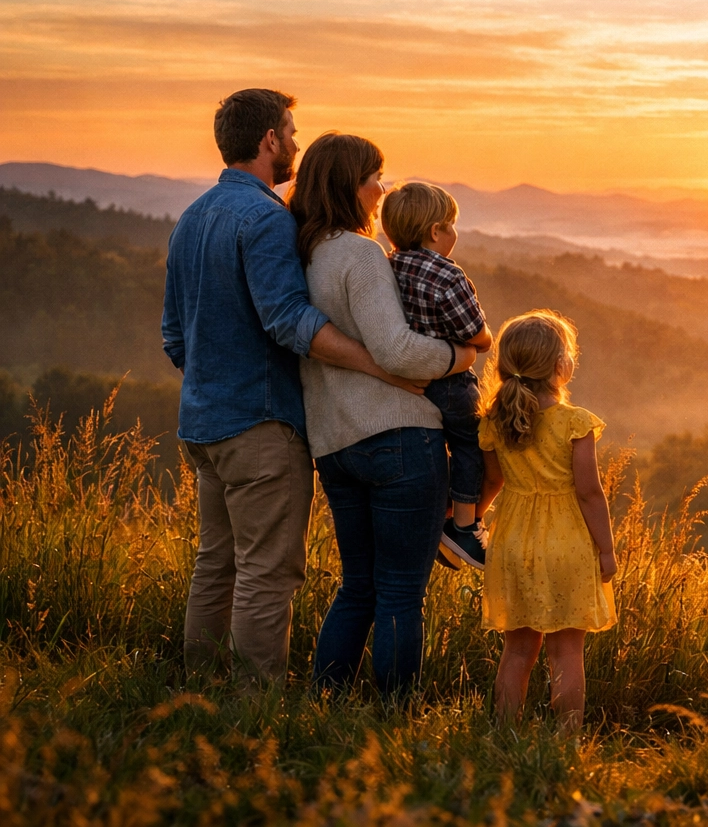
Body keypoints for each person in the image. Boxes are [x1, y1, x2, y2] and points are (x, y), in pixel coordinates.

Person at [163, 89, 430, 683]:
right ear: (268, 141)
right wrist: (381, 366)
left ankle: (200, 692)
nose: (297, 144)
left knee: (216, 567)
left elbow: (174, 338)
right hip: (260, 427)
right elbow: (289, 319)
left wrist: (215, 381)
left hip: (202, 426)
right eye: (291, 131)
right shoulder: (263, 218)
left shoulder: (192, 218)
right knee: (267, 572)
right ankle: (256, 709)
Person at [289, 133, 479, 697]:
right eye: (376, 177)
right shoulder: (361, 252)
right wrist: (460, 355)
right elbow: (396, 349)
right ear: (352, 185)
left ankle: (328, 697)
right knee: (400, 592)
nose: (382, 188)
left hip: (334, 442)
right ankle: (393, 715)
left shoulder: (306, 252)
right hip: (396, 439)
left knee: (358, 588)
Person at [479, 310, 617, 733]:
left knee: (517, 651)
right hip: (567, 545)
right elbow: (589, 492)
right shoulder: (575, 423)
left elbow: (492, 482)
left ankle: (504, 733)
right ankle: (567, 738)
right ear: (562, 367)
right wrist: (607, 549)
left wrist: (468, 519)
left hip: (514, 542)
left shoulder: (494, 421)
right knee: (566, 652)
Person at [380, 182, 496, 570]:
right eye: (451, 225)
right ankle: (463, 526)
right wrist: (487, 340)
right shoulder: (448, 276)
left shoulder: (388, 266)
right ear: (435, 231)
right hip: (452, 384)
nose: (455, 233)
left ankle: (445, 520)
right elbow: (476, 334)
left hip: (408, 384)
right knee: (470, 444)